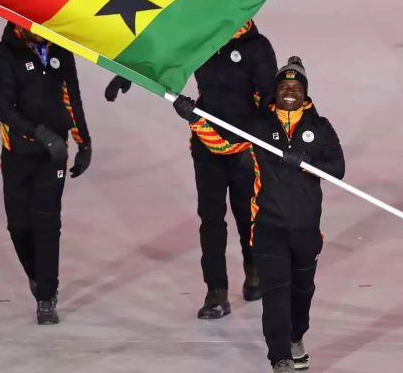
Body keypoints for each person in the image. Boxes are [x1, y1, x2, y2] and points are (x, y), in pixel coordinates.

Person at [173, 56, 345, 372]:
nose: (289, 91)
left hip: (306, 230)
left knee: (302, 291)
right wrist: (194, 119)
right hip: (269, 227)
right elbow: (224, 146)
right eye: (283, 86)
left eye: (295, 86)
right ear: (275, 91)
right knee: (276, 292)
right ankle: (279, 356)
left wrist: (305, 160)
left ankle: (296, 337)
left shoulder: (320, 129)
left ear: (304, 93)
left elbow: (338, 170)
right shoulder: (258, 127)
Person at [106, 20, 277, 318]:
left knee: (246, 215)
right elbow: (165, 54)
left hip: (244, 149)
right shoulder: (202, 39)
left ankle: (254, 274)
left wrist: (251, 139)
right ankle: (216, 292)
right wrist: (129, 73)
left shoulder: (257, 47)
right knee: (211, 220)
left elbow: (269, 104)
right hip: (206, 144)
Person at [0, 22, 92, 325]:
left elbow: (71, 98)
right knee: (18, 225)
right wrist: (39, 134)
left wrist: (84, 142)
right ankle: (36, 275)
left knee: (47, 224)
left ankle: (47, 295)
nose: (42, 30)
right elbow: (2, 107)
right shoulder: (3, 54)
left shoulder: (61, 50)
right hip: (18, 153)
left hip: (53, 155)